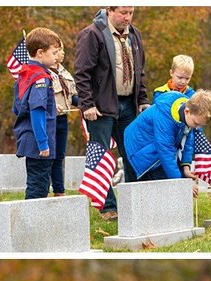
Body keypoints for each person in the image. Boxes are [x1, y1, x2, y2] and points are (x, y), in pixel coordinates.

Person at [75, 6, 148, 217]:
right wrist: (87, 104)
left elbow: (139, 71)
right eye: (123, 12)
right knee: (100, 154)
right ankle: (108, 207)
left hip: (128, 105)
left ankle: (134, 202)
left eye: (131, 13)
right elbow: (82, 73)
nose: (127, 17)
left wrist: (142, 99)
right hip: (101, 106)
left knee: (132, 152)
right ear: (109, 10)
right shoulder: (92, 34)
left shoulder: (134, 34)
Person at [124, 88, 211, 186]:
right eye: (196, 123)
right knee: (163, 185)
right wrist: (181, 184)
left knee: (174, 177)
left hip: (160, 147)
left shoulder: (189, 115)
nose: (197, 127)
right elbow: (166, 151)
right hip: (140, 147)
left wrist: (186, 167)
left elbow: (188, 140)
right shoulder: (164, 117)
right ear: (186, 111)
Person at [12, 26, 60, 201]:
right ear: (40, 53)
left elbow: (17, 108)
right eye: (54, 52)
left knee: (34, 182)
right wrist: (43, 143)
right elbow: (37, 109)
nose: (56, 57)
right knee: (38, 188)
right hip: (38, 142)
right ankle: (31, 226)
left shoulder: (25, 73)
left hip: (27, 138)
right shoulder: (40, 78)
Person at [50, 44, 77, 195]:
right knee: (49, 156)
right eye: (58, 50)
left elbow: (72, 96)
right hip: (49, 119)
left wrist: (87, 104)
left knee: (59, 156)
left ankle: (59, 190)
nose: (63, 53)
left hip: (63, 119)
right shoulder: (43, 72)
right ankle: (43, 190)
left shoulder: (63, 71)